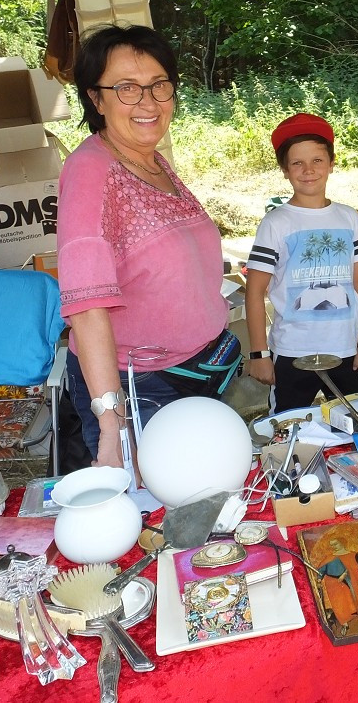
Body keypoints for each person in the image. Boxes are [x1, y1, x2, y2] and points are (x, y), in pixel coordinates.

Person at [57, 25, 230, 469]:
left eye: (159, 86)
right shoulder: (90, 172)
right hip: (140, 389)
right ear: (96, 99)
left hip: (194, 370)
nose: (148, 102)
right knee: (161, 523)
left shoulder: (152, 160)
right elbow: (86, 306)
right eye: (127, 89)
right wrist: (112, 426)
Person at [245, 113, 358, 413]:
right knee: (289, 426)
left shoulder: (349, 217)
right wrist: (259, 353)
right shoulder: (276, 222)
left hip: (345, 349)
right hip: (293, 352)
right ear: (285, 170)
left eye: (317, 160)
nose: (308, 170)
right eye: (297, 163)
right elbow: (254, 291)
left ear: (331, 163)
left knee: (354, 424)